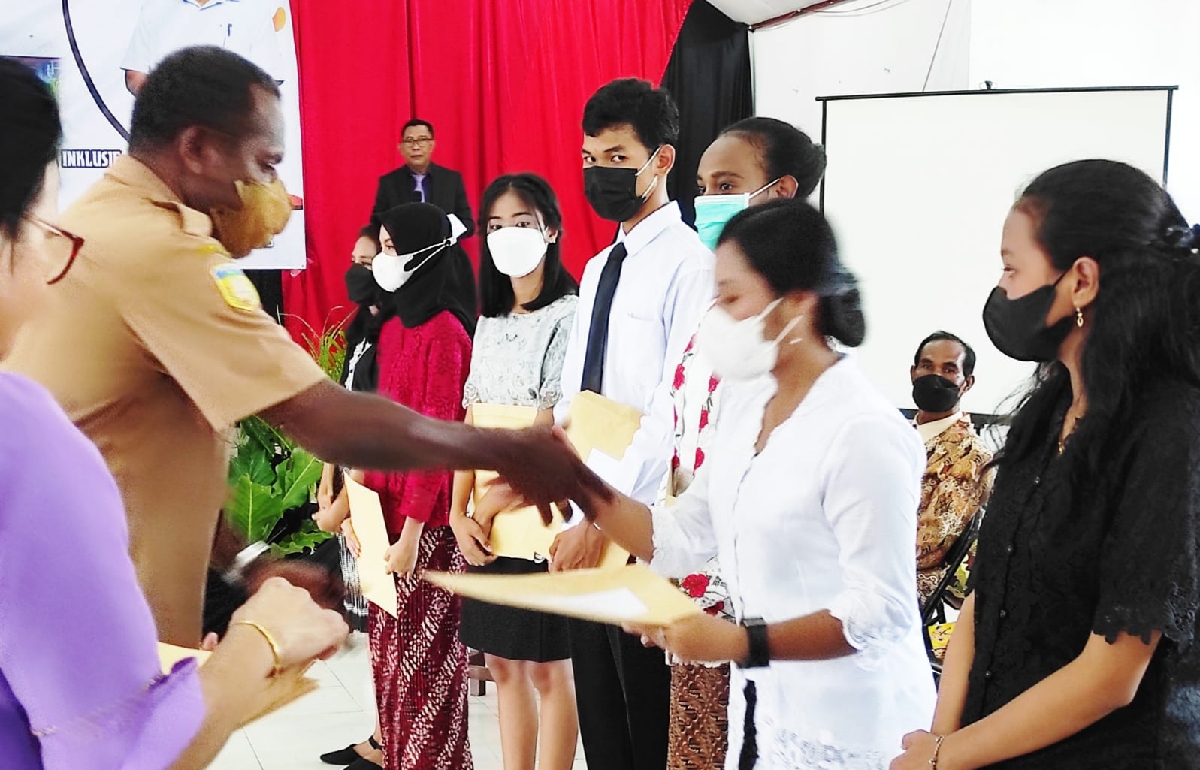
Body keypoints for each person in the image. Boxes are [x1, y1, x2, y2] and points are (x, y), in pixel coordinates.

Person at [0, 45, 606, 648]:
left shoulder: (99, 219)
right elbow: (323, 418)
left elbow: (142, 446)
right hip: (92, 636)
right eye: (265, 165)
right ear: (198, 148)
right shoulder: (162, 250)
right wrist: (505, 449)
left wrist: (248, 568)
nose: (275, 191)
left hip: (58, 612)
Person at [498, 198, 937, 769]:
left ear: (797, 303)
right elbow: (684, 533)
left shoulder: (863, 431)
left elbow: (881, 610)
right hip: (768, 710)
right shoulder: (744, 405)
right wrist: (576, 481)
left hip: (859, 727)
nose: (713, 317)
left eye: (730, 298)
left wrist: (739, 641)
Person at [0, 54, 347, 770]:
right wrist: (264, 638)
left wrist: (244, 560)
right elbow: (123, 751)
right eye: (45, 231)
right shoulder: (23, 437)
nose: (48, 277)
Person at [891, 160, 1200, 770]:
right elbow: (987, 591)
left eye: (1011, 268)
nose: (1001, 288)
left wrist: (944, 758)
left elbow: (1112, 675)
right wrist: (942, 739)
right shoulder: (1049, 406)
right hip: (988, 745)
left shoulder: (1173, 430)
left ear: (1081, 280)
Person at [551, 77, 714, 770]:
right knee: (601, 719)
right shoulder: (596, 269)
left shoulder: (692, 267)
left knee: (645, 717)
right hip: (585, 512)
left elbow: (672, 411)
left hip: (641, 525)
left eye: (618, 158)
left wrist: (604, 517)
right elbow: (575, 399)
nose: (600, 173)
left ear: (662, 160)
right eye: (591, 159)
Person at [658, 115, 827, 770]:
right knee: (695, 749)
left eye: (726, 185)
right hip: (698, 578)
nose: (707, 201)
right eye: (702, 186)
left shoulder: (798, 330)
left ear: (781, 192)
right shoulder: (712, 310)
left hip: (763, 607)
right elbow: (676, 431)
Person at [450, 173, 580, 770]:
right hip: (486, 515)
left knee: (550, 668)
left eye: (522, 223)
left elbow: (551, 428)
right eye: (496, 226)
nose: (508, 235)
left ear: (550, 230)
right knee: (503, 664)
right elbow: (471, 418)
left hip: (540, 507)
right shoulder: (490, 320)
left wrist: (490, 502)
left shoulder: (569, 314)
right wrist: (458, 511)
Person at [355, 202, 476, 770]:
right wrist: (358, 509)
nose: (383, 258)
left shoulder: (446, 332)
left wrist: (409, 535)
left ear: (422, 252)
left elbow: (437, 442)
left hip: (422, 528)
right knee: (388, 661)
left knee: (427, 668)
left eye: (390, 247)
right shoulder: (395, 326)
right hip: (382, 518)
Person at [354, 119, 479, 317]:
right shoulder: (389, 183)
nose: (415, 146)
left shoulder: (451, 180)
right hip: (403, 266)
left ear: (432, 144)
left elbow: (468, 223)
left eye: (422, 140)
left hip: (446, 268)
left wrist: (443, 229)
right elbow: (377, 225)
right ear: (400, 147)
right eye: (409, 141)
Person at [909, 331, 992, 605]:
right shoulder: (894, 435)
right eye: (927, 366)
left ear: (966, 383)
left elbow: (924, 549)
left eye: (948, 369)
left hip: (904, 582)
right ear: (913, 373)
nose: (935, 376)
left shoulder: (972, 457)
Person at [122, 0, 284, 95]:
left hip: (231, 130)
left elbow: (267, 80)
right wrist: (168, 107)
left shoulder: (254, 8)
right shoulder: (157, 7)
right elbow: (136, 75)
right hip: (168, 130)